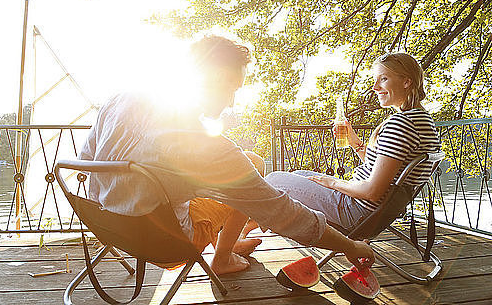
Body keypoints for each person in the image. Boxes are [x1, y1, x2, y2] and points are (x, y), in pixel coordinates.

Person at [80, 35, 374, 275]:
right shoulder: (204, 146)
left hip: (108, 224)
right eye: (232, 88)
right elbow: (280, 211)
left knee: (252, 162)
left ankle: (228, 245)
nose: (232, 102)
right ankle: (222, 259)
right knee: (250, 170)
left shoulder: (121, 99)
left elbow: (86, 158)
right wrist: (349, 246)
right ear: (214, 78)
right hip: (164, 242)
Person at [265, 52, 442, 231]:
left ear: (406, 81)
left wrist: (332, 182)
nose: (375, 87)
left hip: (356, 210)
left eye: (384, 79)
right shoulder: (423, 120)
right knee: (298, 174)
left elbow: (372, 192)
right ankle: (246, 232)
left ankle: (242, 234)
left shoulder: (402, 124)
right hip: (375, 213)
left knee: (273, 180)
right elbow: (384, 170)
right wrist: (353, 140)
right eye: (376, 79)